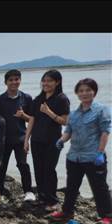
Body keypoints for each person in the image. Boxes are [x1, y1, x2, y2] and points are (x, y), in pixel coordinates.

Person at [50, 78, 111, 224]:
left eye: (88, 90)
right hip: (74, 157)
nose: (85, 93)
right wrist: (61, 140)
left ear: (94, 92)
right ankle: (67, 211)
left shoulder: (101, 110)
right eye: (81, 91)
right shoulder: (74, 114)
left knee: (100, 187)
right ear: (77, 93)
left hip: (93, 156)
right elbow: (69, 131)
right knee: (71, 187)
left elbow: (105, 132)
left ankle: (107, 215)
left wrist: (100, 152)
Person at [28, 70, 70, 212]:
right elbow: (32, 119)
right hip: (37, 140)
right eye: (44, 81)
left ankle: (52, 201)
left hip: (53, 141)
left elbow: (65, 122)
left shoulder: (62, 99)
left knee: (49, 170)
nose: (46, 83)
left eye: (49, 81)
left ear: (57, 82)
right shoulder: (38, 99)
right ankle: (42, 198)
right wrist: (26, 139)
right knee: (38, 170)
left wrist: (49, 112)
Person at [0, 69, 36, 202]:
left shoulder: (27, 98)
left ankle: (28, 191)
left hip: (20, 138)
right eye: (11, 80)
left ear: (20, 81)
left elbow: (33, 120)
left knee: (23, 164)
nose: (14, 82)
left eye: (16, 79)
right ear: (5, 82)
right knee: (1, 167)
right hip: (3, 140)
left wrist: (24, 116)